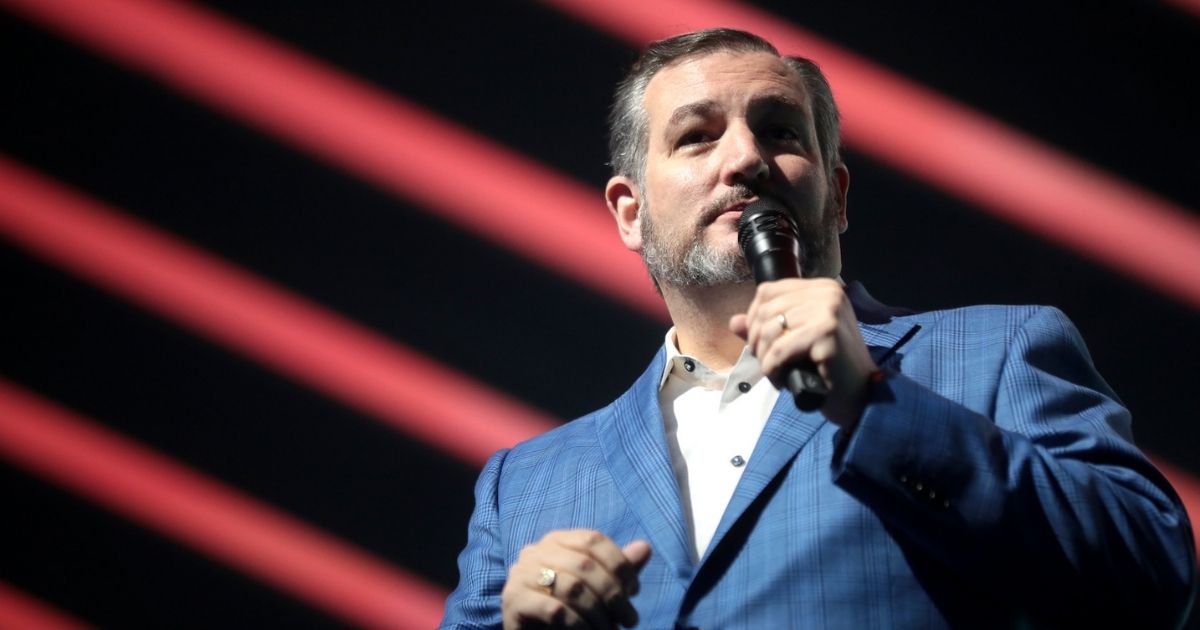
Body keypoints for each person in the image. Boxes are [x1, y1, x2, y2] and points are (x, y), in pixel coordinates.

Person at [440, 28, 1196, 629]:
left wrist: (873, 404)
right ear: (630, 213)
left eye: (780, 132)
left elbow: (1149, 575)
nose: (746, 159)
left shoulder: (997, 352)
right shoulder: (528, 484)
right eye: (697, 137)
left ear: (835, 198)